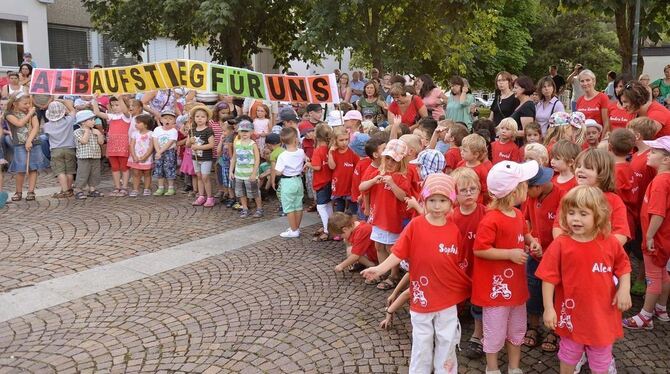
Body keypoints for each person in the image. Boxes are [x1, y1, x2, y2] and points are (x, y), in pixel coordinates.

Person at [362, 173, 470, 374]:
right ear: (424, 200)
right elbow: (398, 252)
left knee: (447, 339)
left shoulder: (454, 230)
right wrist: (380, 268)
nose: (437, 206)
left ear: (451, 202)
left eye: (443, 200)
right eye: (432, 200)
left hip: (446, 297)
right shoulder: (416, 226)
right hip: (421, 297)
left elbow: (458, 264)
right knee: (422, 341)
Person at [537, 185, 632, 374]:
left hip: (602, 316)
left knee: (601, 359)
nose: (576, 219)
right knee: (568, 354)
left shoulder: (610, 242)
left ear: (598, 215)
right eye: (571, 213)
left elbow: (624, 267)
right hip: (572, 315)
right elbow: (548, 278)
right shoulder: (561, 245)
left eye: (583, 214)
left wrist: (624, 289)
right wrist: (549, 308)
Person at [472, 160, 542, 374]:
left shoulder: (517, 214)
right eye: (524, 184)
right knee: (494, 330)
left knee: (517, 328)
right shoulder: (491, 220)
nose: (528, 187)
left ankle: (514, 366)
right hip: (496, 289)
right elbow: (480, 249)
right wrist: (509, 254)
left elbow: (524, 232)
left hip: (515, 287)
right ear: (514, 191)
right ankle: (492, 368)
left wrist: (532, 242)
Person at [623, 136, 670, 330]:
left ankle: (645, 316)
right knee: (663, 273)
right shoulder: (664, 179)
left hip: (656, 238)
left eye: (653, 152)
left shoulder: (660, 182)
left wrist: (649, 236)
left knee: (653, 276)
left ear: (666, 159)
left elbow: (657, 213)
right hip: (663, 237)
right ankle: (661, 308)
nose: (648, 154)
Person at [359, 139, 412, 291]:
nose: (389, 163)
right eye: (387, 158)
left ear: (401, 161)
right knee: (378, 245)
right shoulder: (377, 173)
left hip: (392, 219)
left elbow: (404, 197)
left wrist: (393, 184)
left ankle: (394, 274)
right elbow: (362, 187)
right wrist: (374, 181)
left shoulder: (402, 176)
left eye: (394, 160)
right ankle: (383, 270)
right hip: (378, 217)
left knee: (391, 248)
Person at [552, 149, 631, 246]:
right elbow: (558, 226)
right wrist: (566, 248)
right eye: (579, 166)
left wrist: (600, 251)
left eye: (588, 167)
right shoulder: (570, 196)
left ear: (603, 172)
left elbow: (621, 234)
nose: (580, 170)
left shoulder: (614, 200)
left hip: (601, 256)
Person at [523, 165, 563, 353]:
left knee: (555, 293)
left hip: (555, 257)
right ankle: (532, 326)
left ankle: (555, 330)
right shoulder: (532, 198)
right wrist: (531, 240)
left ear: (537, 187)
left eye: (526, 188)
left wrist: (550, 252)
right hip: (535, 254)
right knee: (533, 289)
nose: (523, 193)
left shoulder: (562, 197)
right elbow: (527, 220)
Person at [450, 167, 487, 359]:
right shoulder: (451, 216)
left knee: (479, 303)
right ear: (455, 193)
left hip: (480, 267)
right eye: (463, 190)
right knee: (455, 297)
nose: (469, 193)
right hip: (459, 267)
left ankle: (478, 335)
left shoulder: (485, 214)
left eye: (473, 189)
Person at [5, 93, 48, 202]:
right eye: (25, 103)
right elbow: (19, 123)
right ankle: (18, 192)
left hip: (34, 142)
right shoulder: (9, 113)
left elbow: (36, 126)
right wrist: (29, 114)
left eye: (29, 103)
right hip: (19, 144)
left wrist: (29, 140)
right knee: (21, 169)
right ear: (15, 104)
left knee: (33, 168)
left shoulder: (31, 112)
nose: (28, 105)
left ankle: (31, 191)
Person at [92, 95, 132, 196]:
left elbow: (125, 110)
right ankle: (117, 186)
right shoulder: (111, 116)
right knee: (114, 168)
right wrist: (95, 100)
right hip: (113, 146)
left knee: (124, 167)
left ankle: (124, 187)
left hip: (123, 146)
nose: (114, 107)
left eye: (117, 105)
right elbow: (97, 113)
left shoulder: (127, 116)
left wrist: (120, 98)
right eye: (112, 105)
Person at [275, 127, 306, 238]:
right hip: (298, 180)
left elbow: (278, 172)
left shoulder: (283, 156)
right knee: (298, 205)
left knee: (289, 207)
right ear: (296, 139)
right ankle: (296, 227)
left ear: (282, 141)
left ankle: (293, 230)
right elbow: (306, 161)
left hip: (287, 182)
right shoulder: (301, 152)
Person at [43, 100, 77, 198]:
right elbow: (72, 110)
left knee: (60, 171)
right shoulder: (69, 120)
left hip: (56, 150)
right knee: (70, 171)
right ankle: (69, 189)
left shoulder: (47, 126)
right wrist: (64, 101)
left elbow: (46, 136)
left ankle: (64, 190)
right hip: (70, 148)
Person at [230, 119, 263, 216]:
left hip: (250, 174)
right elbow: (234, 158)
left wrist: (254, 173)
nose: (244, 133)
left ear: (251, 132)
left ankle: (259, 208)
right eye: (242, 131)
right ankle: (245, 208)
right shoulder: (237, 143)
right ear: (238, 132)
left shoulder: (252, 144)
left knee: (254, 192)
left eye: (247, 131)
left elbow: (257, 160)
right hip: (239, 174)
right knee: (241, 193)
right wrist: (231, 171)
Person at [308, 123, 334, 241]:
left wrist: (308, 164)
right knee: (328, 205)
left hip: (321, 181)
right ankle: (331, 226)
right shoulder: (329, 148)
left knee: (321, 207)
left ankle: (326, 229)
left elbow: (317, 167)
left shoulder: (318, 150)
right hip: (329, 180)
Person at [188, 105, 216, 207]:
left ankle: (210, 197)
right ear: (194, 118)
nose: (199, 118)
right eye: (197, 116)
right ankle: (201, 196)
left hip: (206, 158)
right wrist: (190, 141)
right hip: (195, 158)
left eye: (202, 117)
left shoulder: (208, 130)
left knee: (205, 177)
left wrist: (199, 147)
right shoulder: (192, 130)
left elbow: (211, 145)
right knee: (199, 176)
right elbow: (188, 144)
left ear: (207, 118)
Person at [72, 110, 104, 199]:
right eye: (91, 119)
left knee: (94, 173)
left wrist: (99, 135)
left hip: (95, 155)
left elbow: (101, 143)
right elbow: (84, 141)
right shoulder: (77, 132)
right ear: (83, 122)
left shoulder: (95, 131)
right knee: (83, 173)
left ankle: (92, 189)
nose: (94, 121)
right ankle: (78, 189)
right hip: (83, 157)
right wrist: (87, 132)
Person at [329, 126, 359, 214]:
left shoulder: (352, 152)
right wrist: (330, 153)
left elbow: (358, 167)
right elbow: (332, 167)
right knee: (339, 207)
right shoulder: (334, 152)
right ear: (335, 140)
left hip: (350, 184)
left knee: (353, 207)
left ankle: (354, 224)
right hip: (339, 184)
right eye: (341, 140)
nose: (344, 142)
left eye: (346, 139)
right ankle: (339, 225)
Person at [152, 109, 179, 196]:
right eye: (165, 118)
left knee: (169, 168)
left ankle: (171, 188)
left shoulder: (173, 131)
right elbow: (155, 140)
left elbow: (170, 142)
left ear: (174, 121)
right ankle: (160, 188)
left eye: (170, 119)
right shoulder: (157, 129)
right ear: (161, 120)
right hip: (158, 151)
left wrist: (160, 152)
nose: (167, 120)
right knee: (159, 169)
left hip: (169, 152)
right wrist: (158, 151)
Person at [127, 114, 154, 197]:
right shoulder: (135, 134)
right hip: (135, 157)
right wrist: (134, 156)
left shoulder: (151, 134)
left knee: (147, 173)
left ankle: (147, 188)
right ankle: (135, 189)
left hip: (147, 157)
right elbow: (131, 145)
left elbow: (151, 146)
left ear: (145, 124)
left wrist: (145, 156)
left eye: (138, 123)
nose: (136, 124)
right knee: (135, 173)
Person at [576, 69, 610, 135]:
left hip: (597, 139)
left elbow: (606, 123)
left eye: (588, 80)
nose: (585, 83)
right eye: (582, 81)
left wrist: (601, 141)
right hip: (583, 140)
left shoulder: (602, 97)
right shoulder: (579, 100)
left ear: (594, 81)